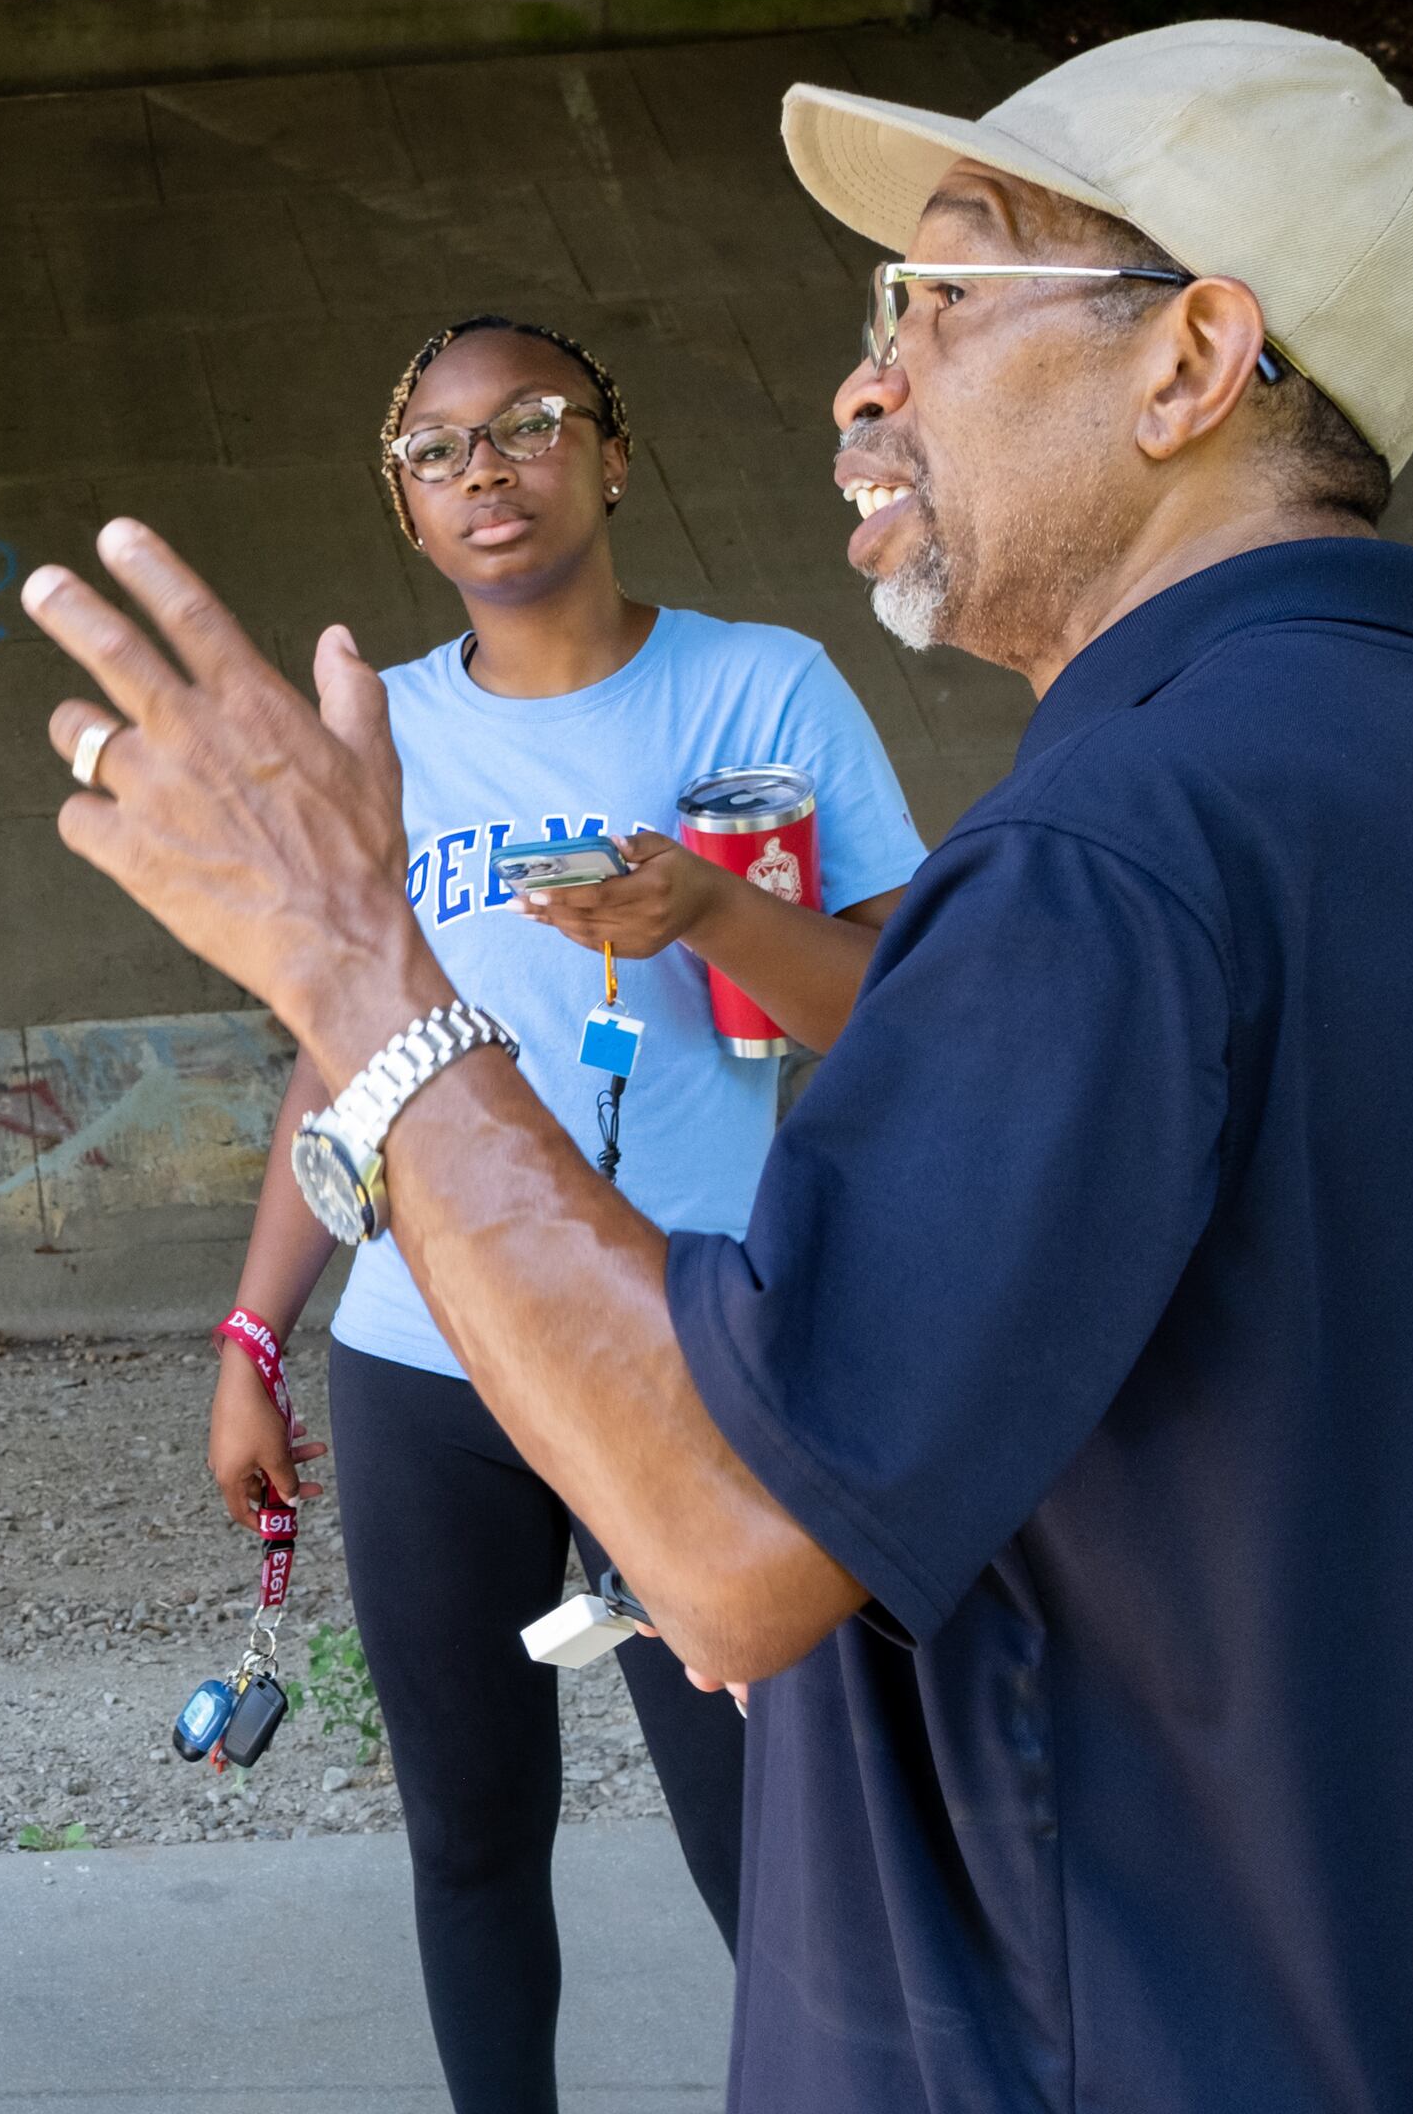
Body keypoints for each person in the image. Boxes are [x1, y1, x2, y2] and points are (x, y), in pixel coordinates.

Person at [23, 22, 1413, 2111]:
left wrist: (354, 965)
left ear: (1192, 360)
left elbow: (732, 1550)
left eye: (940, 302)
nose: (866, 380)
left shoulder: (1110, 856)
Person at [202, 316, 918, 2111]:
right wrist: (251, 1330)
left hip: (692, 1344)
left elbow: (906, 1020)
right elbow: (335, 1053)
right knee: (468, 1835)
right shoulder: (385, 735)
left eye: (529, 426)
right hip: (422, 1361)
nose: (486, 470)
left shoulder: (762, 691)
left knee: (769, 1831)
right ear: (406, 511)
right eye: (439, 451)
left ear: (613, 454)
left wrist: (709, 916)